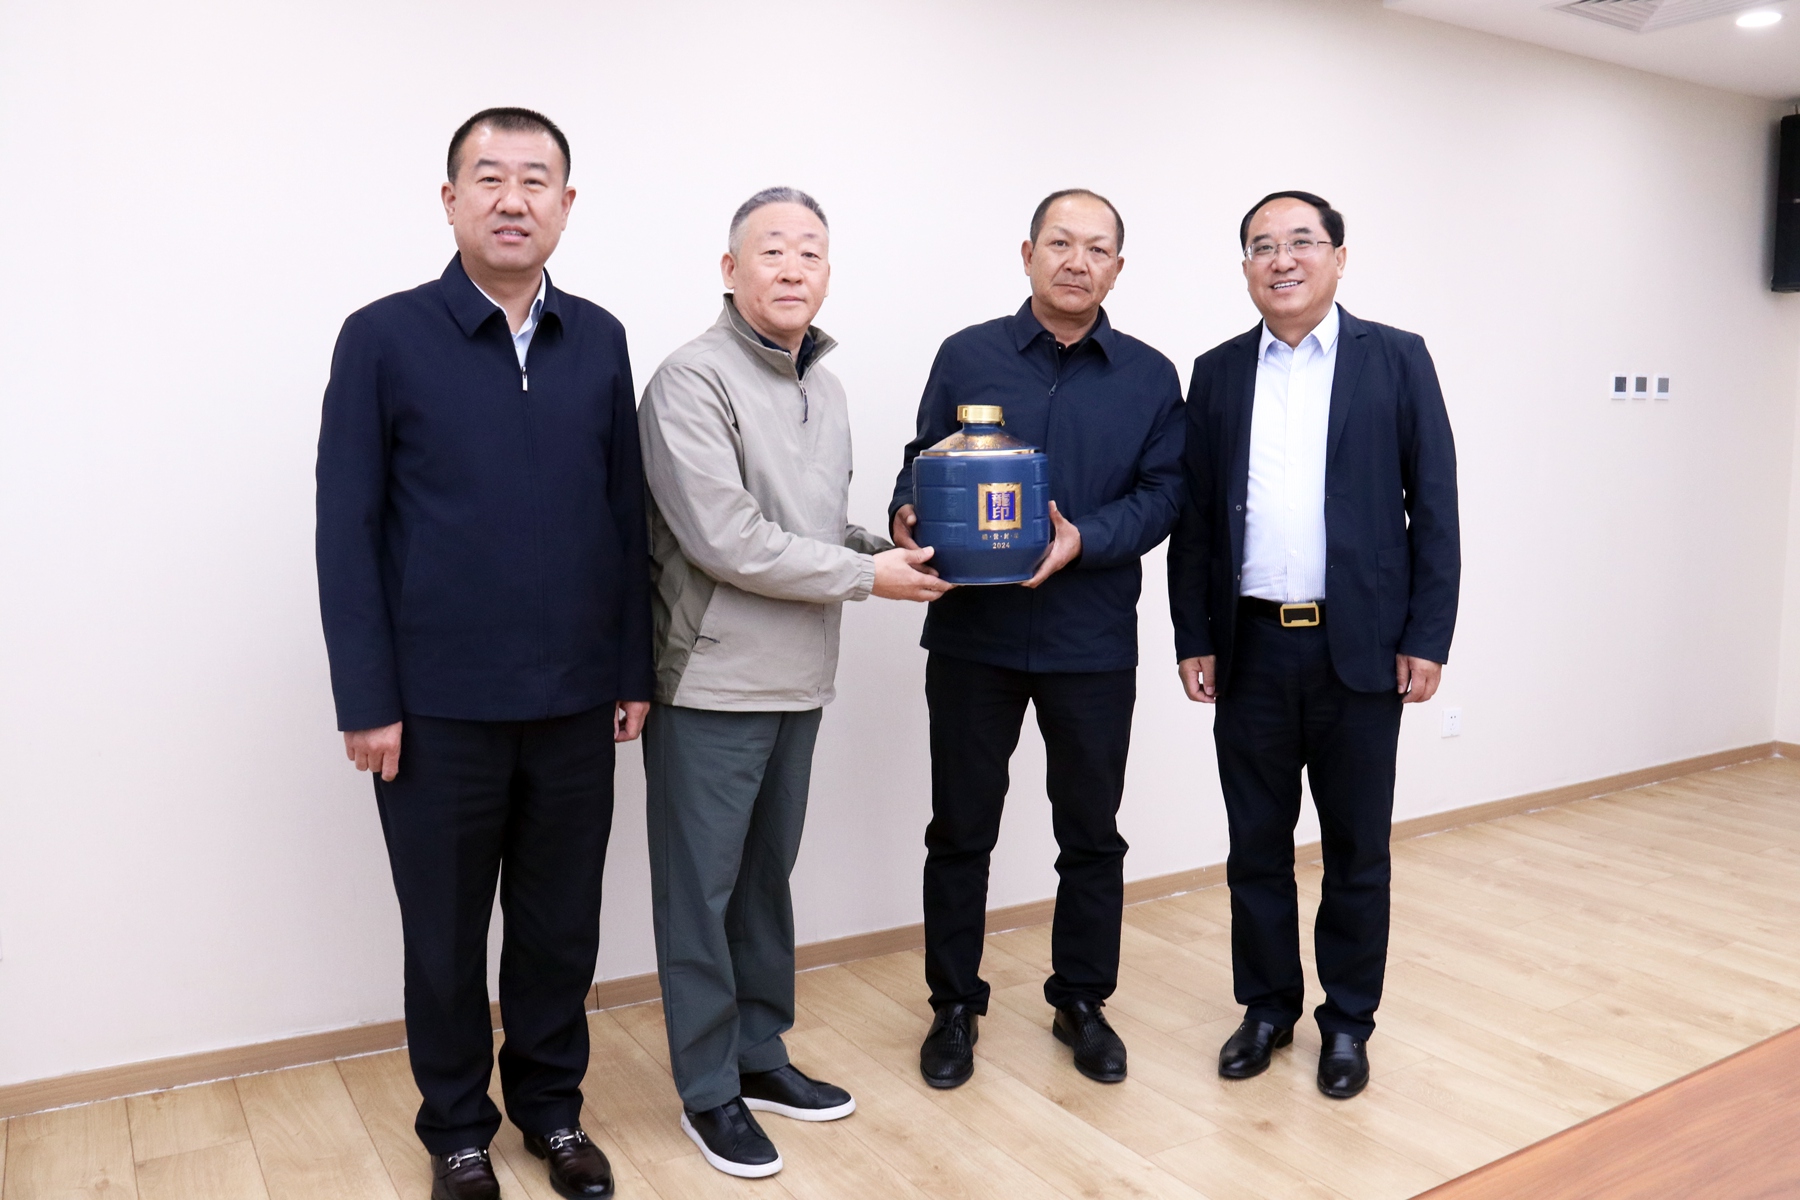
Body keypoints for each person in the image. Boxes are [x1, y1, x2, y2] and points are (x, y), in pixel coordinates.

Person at [315, 107, 640, 1200]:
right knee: (446, 935)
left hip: (575, 701)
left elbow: (624, 516)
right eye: (489, 177)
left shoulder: (599, 337)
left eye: (535, 179)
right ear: (450, 199)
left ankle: (553, 1113)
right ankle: (457, 1128)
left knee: (559, 929)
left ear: (566, 204)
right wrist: (368, 696)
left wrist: (630, 671)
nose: (513, 199)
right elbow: (348, 528)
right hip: (434, 710)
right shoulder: (382, 336)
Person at [638, 186, 951, 1178]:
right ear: (730, 270)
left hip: (801, 679)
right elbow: (726, 540)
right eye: (771, 250)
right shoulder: (689, 380)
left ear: (827, 275)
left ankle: (759, 1052)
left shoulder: (828, 387)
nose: (792, 267)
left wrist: (886, 549)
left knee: (764, 884)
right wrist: (869, 577)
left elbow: (808, 531)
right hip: (712, 681)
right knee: (701, 894)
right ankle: (708, 1091)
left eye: (810, 252)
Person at [889, 189, 1185, 1090]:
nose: (1076, 261)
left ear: (1117, 269)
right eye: (1060, 242)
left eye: (1096, 248)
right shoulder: (967, 354)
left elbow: (1165, 495)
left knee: (1091, 832)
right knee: (960, 829)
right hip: (972, 636)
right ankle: (953, 1005)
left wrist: (1081, 539)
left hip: (1091, 640)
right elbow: (920, 460)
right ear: (1028, 254)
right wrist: (905, 514)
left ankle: (1081, 1001)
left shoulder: (1149, 376)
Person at [1167, 190, 1460, 1100]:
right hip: (1250, 647)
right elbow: (1196, 521)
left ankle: (1348, 1023)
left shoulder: (1397, 359)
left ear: (1338, 257)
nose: (1282, 259)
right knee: (1255, 847)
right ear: (1245, 268)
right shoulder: (1217, 373)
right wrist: (1193, 634)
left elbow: (1435, 506)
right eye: (1263, 246)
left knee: (1356, 850)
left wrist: (1428, 634)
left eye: (1302, 242)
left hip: (1361, 650)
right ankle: (1266, 1009)